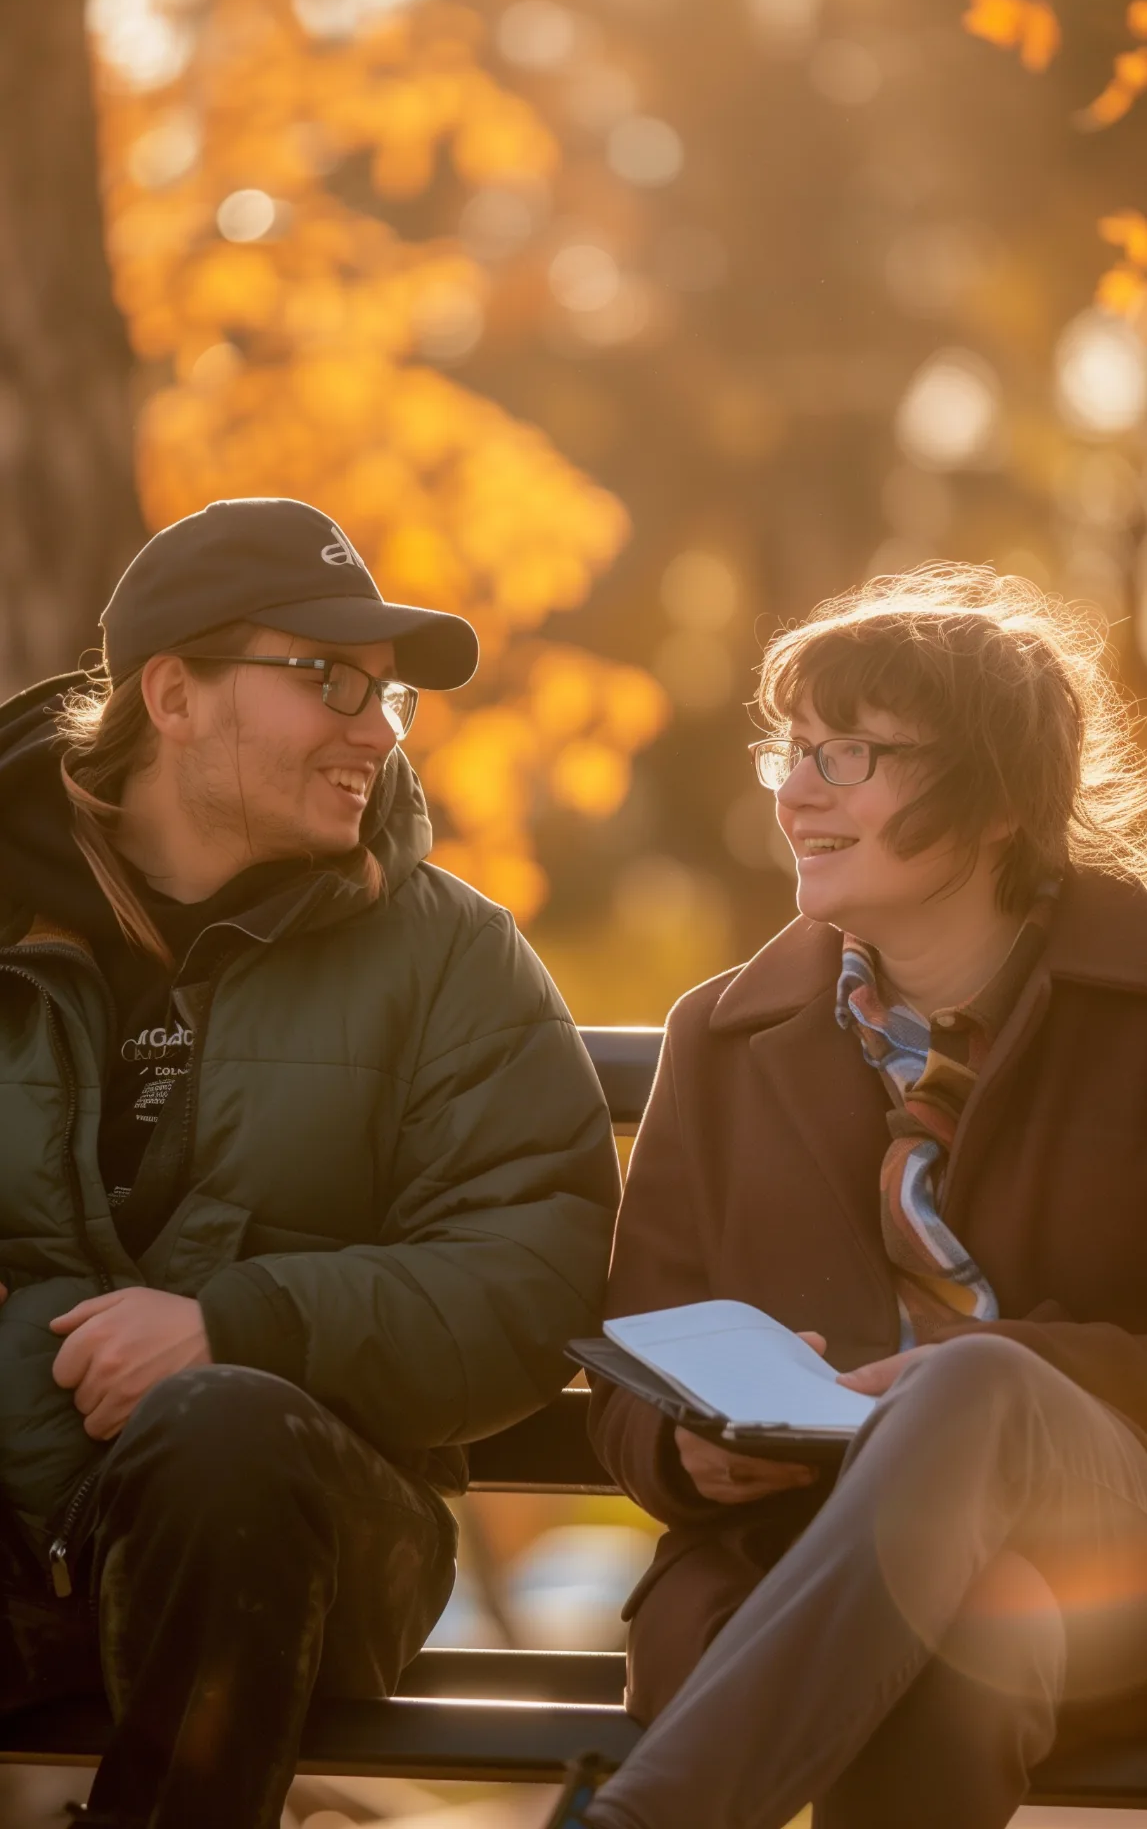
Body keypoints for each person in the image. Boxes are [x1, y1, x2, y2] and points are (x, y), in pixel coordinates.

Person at [0, 495, 620, 1829]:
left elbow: (531, 1273)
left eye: (386, 695)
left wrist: (237, 1322)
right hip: (18, 1514)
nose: (373, 729)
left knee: (223, 1426)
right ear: (170, 694)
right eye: (326, 678)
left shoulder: (450, 954)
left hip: (301, 1539)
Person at [545, 563, 1147, 1829]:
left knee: (973, 1389)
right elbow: (632, 1365)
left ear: (993, 802)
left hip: (1110, 1543)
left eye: (850, 754)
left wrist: (993, 1369)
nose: (794, 789)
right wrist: (686, 1449)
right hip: (802, 1569)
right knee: (962, 1650)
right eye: (792, 747)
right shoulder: (723, 1030)